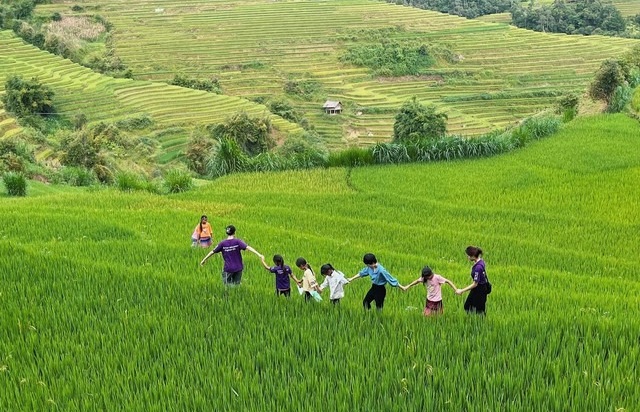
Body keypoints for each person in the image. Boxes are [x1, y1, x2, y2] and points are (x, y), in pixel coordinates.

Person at [456, 246, 490, 315]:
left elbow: (475, 284)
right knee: (468, 306)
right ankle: (472, 320)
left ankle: (480, 323)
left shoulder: (478, 267)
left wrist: (461, 290)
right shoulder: (481, 261)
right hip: (478, 288)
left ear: (473, 256)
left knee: (480, 311)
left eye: (468, 256)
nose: (468, 257)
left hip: (480, 289)